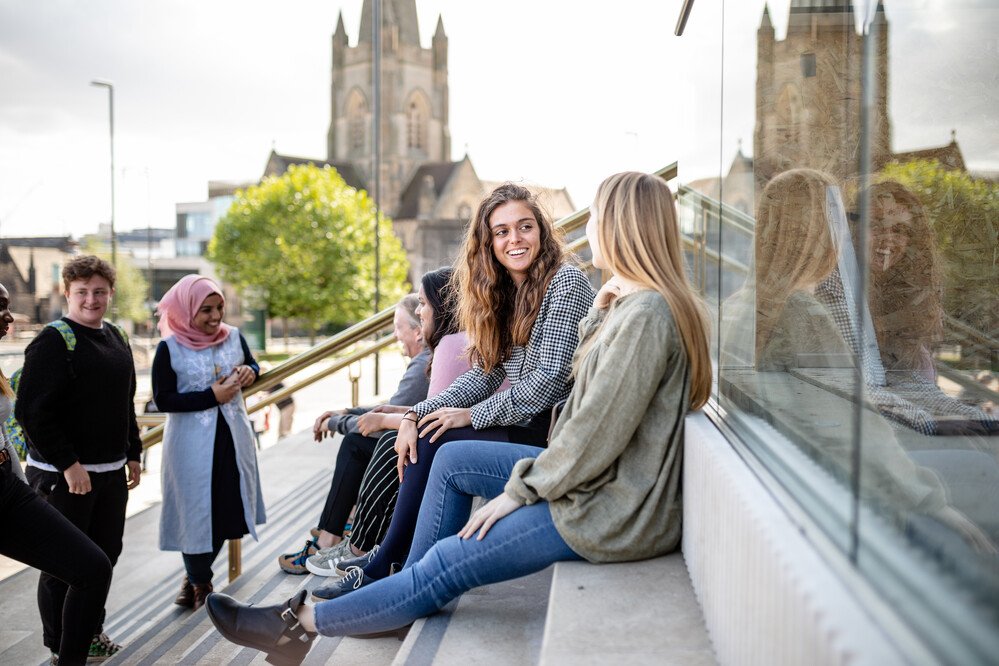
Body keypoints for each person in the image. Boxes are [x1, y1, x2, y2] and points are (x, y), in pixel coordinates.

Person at [205, 170, 712, 663]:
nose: (589, 226)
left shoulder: (641, 315)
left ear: (622, 226)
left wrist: (519, 490)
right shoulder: (630, 308)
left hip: (610, 511)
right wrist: (417, 414)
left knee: (449, 558)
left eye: (598, 215)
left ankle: (300, 624)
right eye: (501, 231)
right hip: (596, 491)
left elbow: (587, 425)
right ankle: (378, 590)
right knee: (443, 462)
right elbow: (560, 397)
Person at [310, 182, 595, 600]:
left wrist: (470, 416)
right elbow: (481, 375)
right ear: (488, 241)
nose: (514, 239)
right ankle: (393, 563)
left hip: (554, 434)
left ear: (542, 231)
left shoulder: (563, 283)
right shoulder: (505, 293)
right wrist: (414, 413)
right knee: (424, 429)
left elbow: (548, 381)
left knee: (435, 436)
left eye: (525, 227)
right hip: (526, 421)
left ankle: (388, 566)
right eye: (501, 232)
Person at [302, 267, 504, 577]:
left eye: (423, 303)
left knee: (390, 445)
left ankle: (363, 547)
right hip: (484, 427)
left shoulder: (450, 348)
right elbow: (428, 407)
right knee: (394, 440)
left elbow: (433, 415)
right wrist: (384, 413)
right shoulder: (454, 344)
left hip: (487, 430)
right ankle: (360, 544)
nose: (420, 311)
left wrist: (380, 417)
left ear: (442, 306)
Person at [17, 255, 142, 662]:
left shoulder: (117, 337)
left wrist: (134, 453)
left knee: (103, 559)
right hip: (63, 476)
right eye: (82, 292)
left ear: (110, 293)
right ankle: (60, 647)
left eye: (100, 291)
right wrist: (69, 464)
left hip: (109, 474)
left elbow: (125, 404)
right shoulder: (54, 340)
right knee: (63, 567)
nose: (92, 299)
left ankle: (89, 632)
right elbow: (32, 411)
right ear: (67, 293)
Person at [0, 282, 114, 666]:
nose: (9, 316)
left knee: (92, 568)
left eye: (8, 306)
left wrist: (18, 488)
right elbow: (35, 412)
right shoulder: (51, 342)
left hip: (6, 489)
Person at [276, 293, 430, 575]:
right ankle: (331, 533)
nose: (395, 335)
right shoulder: (426, 359)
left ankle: (331, 538)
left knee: (356, 443)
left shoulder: (424, 364)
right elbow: (389, 408)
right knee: (357, 440)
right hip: (417, 441)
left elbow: (379, 423)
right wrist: (346, 411)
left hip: (417, 449)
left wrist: (336, 423)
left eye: (398, 327)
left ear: (418, 331)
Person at [152, 274, 266, 611]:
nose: (215, 317)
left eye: (219, 308)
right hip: (189, 446)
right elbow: (164, 399)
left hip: (231, 440)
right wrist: (210, 396)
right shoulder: (169, 348)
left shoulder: (233, 337)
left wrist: (251, 372)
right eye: (205, 310)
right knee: (194, 512)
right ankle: (202, 582)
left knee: (226, 509)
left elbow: (253, 363)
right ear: (187, 310)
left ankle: (194, 577)